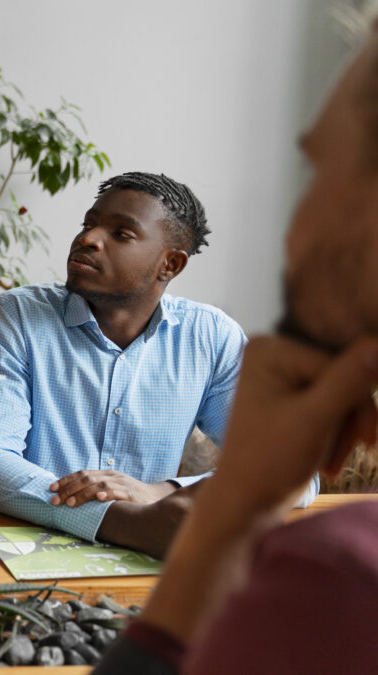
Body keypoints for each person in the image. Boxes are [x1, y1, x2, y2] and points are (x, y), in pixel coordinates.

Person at [94, 18, 378, 675]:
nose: (293, 232)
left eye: (320, 175)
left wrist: (211, 518)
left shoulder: (341, 575)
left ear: (172, 263)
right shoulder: (22, 316)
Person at [0, 172, 317, 557]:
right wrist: (124, 521)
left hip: (153, 564)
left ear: (170, 265)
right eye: (89, 223)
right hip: (18, 554)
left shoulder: (212, 337)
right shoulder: (17, 316)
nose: (88, 239)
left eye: (121, 233)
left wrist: (162, 493)